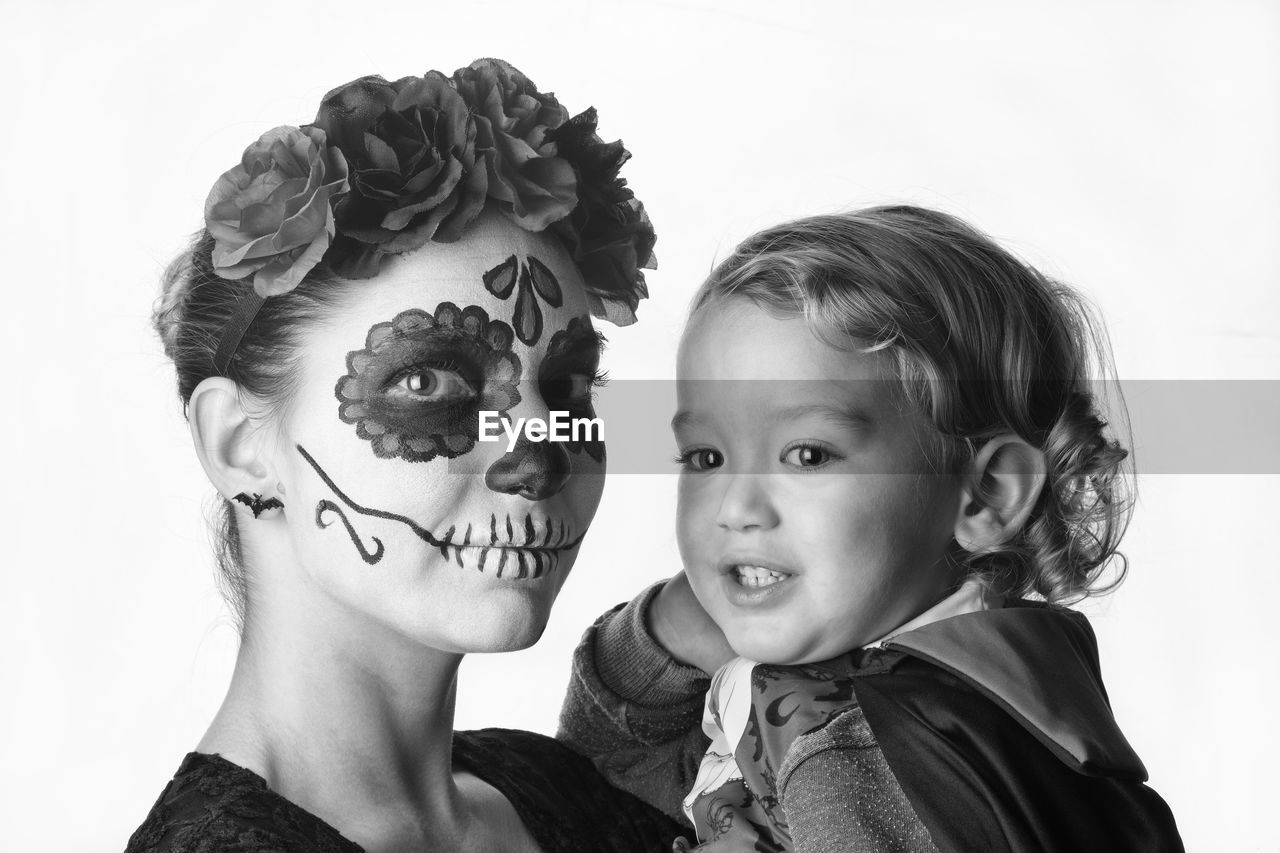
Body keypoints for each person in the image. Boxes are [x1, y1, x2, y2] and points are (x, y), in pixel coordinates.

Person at [127, 59, 689, 852]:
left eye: (567, 385)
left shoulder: (549, 783)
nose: (540, 455)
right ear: (240, 444)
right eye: (428, 380)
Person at [559, 206, 1185, 851]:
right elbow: (595, 789)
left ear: (987, 493)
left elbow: (584, 803)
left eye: (807, 455)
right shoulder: (1004, 696)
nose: (735, 507)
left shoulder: (847, 750)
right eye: (706, 458)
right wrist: (666, 628)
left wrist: (660, 639)